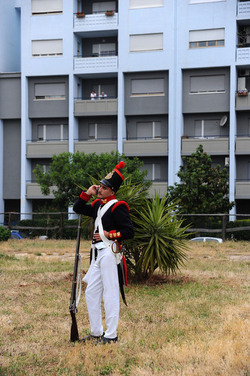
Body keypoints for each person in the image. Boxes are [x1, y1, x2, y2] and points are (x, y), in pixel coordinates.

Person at [73, 161, 134, 344]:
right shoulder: (98, 205)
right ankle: (96, 332)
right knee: (91, 292)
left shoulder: (118, 206)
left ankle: (111, 335)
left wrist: (109, 234)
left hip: (109, 253)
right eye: (100, 185)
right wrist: (87, 194)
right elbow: (78, 208)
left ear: (112, 191)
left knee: (110, 293)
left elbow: (129, 232)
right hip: (97, 254)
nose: (100, 189)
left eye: (104, 187)